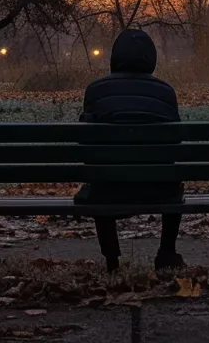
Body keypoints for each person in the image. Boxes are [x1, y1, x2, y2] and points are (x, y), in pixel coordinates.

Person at [74, 27, 185, 274]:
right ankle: (166, 251)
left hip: (109, 188)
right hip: (160, 189)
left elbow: (86, 142)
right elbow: (174, 144)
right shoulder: (166, 92)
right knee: (175, 181)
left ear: (115, 57)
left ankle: (112, 261)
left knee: (99, 177)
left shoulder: (95, 90)